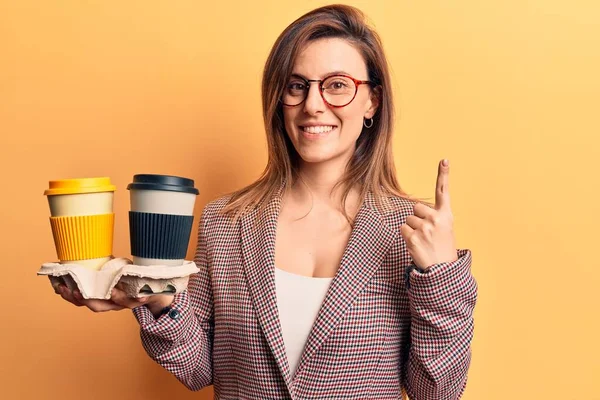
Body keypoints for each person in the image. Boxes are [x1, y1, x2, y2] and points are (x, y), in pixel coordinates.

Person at [57, 4, 477, 399]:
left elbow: (435, 393)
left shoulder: (413, 234)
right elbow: (198, 368)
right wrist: (154, 293)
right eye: (297, 86)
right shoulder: (225, 221)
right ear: (279, 99)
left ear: (373, 101)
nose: (313, 105)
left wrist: (440, 277)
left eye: (337, 86)